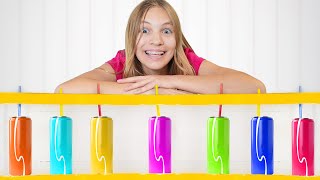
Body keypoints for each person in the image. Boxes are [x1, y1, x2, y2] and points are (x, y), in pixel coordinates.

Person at [55, 0, 266, 94]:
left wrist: (166, 82)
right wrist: (148, 91)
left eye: (166, 31)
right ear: (131, 38)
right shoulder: (122, 62)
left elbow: (255, 87)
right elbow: (64, 90)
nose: (156, 41)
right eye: (145, 30)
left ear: (177, 39)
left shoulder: (188, 61)